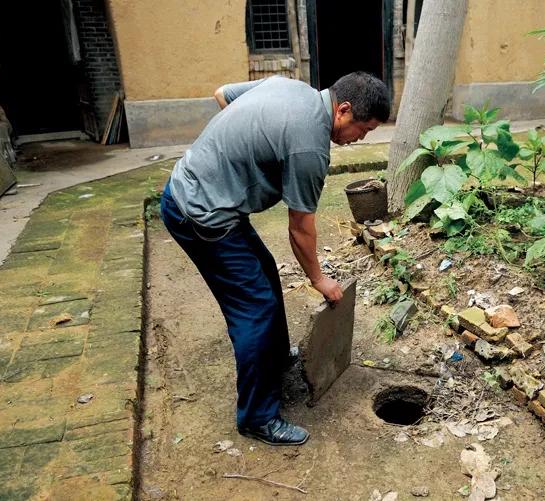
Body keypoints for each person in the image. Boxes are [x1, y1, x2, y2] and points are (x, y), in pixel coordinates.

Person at [160, 72, 390, 446]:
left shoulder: (289, 86)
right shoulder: (310, 147)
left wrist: (243, 157)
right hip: (201, 215)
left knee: (264, 272)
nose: (360, 139)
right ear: (343, 110)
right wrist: (319, 280)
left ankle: (277, 357)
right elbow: (300, 228)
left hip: (196, 190)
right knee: (255, 309)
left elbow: (222, 95)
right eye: (362, 130)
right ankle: (257, 417)